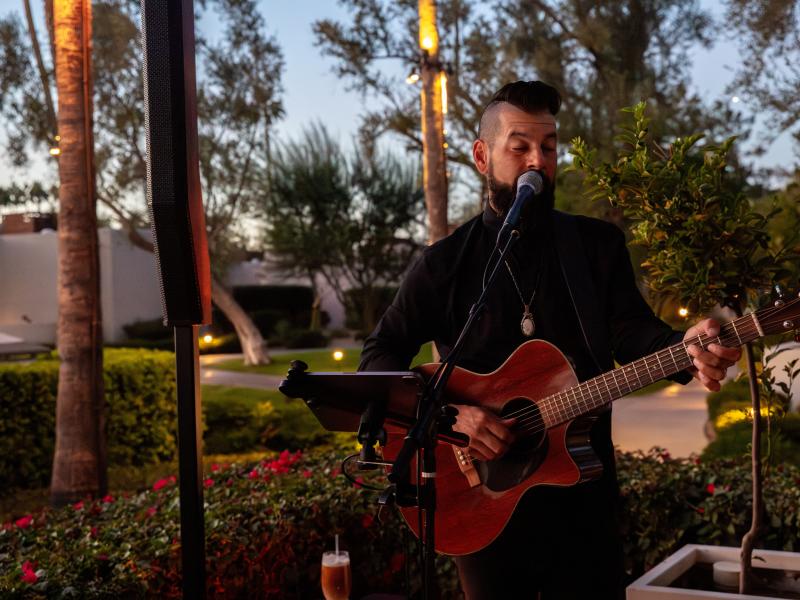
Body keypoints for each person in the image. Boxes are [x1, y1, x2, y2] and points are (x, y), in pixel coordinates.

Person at [358, 81, 741, 599]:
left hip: (582, 495)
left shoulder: (596, 246)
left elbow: (633, 333)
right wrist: (451, 418)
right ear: (482, 156)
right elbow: (378, 358)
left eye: (549, 147)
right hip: (479, 501)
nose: (537, 161)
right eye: (519, 147)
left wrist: (687, 346)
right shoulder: (446, 264)